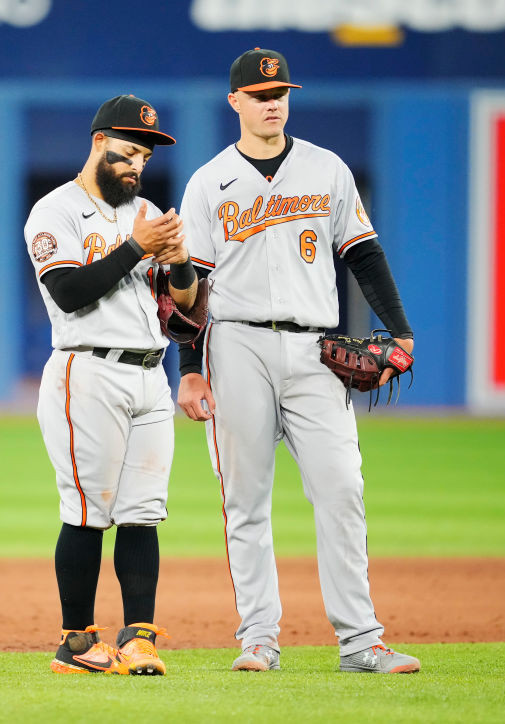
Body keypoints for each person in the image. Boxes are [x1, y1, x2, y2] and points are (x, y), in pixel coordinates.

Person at [176, 48, 420, 674]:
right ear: (235, 101)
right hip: (235, 344)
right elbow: (190, 289)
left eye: (280, 91)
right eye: (259, 94)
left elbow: (363, 254)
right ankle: (258, 638)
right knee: (246, 500)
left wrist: (401, 330)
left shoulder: (326, 168)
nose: (272, 101)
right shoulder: (209, 181)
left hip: (316, 347)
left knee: (342, 487)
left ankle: (361, 641)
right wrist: (190, 368)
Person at [24, 95, 196, 676]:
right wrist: (136, 248)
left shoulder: (144, 209)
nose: (137, 165)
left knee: (143, 513)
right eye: (128, 152)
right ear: (98, 142)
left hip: (151, 373)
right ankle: (74, 644)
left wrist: (178, 261)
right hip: (86, 370)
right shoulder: (55, 212)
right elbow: (69, 293)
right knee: (87, 511)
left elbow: (186, 304)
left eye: (144, 156)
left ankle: (138, 638)